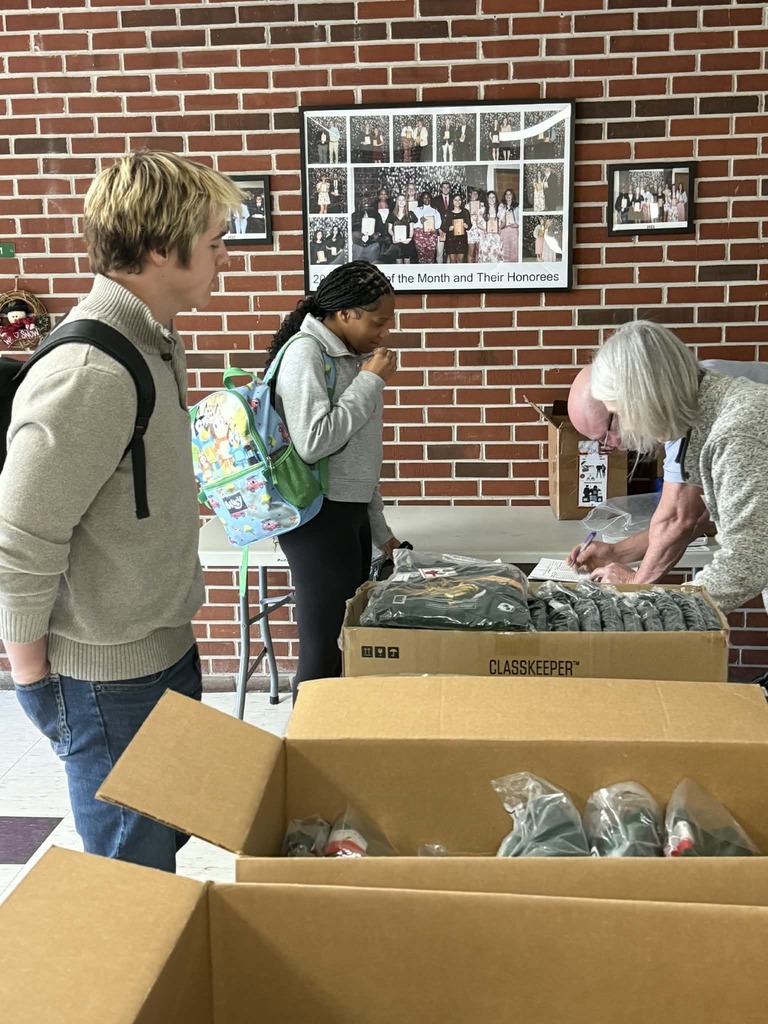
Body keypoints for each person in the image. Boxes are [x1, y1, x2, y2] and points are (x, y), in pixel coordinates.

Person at [0, 150, 244, 872]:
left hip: (164, 647)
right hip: (103, 679)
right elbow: (20, 537)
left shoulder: (157, 344)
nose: (223, 259)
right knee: (131, 873)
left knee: (165, 842)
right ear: (162, 250)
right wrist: (34, 680)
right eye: (215, 243)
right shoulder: (90, 373)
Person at [565, 322, 768, 617]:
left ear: (645, 397)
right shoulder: (700, 414)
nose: (629, 430)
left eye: (619, 414)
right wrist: (617, 555)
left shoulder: (736, 431)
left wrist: (653, 603)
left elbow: (746, 562)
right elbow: (695, 517)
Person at [266, 261, 400, 699]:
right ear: (346, 314)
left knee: (346, 646)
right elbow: (312, 443)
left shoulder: (349, 360)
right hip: (317, 523)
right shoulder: (307, 354)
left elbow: (360, 463)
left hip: (346, 518)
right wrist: (368, 384)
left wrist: (381, 534)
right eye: (377, 322)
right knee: (322, 652)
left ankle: (336, 744)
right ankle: (305, 750)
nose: (384, 334)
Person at [412, 190, 441, 264]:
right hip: (420, 236)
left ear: (431, 199)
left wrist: (435, 227)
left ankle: (430, 274)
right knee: (421, 256)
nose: (426, 199)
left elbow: (438, 222)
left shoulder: (434, 210)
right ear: (421, 199)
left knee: (430, 256)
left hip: (431, 235)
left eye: (428, 197)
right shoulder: (417, 210)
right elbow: (413, 224)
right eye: (424, 198)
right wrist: (420, 221)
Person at [444, 193, 471, 264]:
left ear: (462, 201)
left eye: (459, 200)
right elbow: (444, 226)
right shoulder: (448, 213)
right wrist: (449, 228)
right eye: (455, 200)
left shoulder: (465, 212)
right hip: (451, 239)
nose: (457, 202)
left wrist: (466, 226)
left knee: (460, 260)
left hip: (462, 239)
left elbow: (469, 225)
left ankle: (460, 274)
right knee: (452, 260)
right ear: (452, 201)